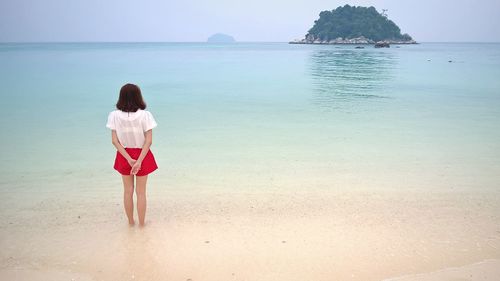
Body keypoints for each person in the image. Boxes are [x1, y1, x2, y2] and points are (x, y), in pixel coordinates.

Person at [106, 83, 158, 227]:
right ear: (138, 97)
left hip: (124, 155)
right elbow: (149, 141)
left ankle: (130, 222)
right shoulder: (145, 115)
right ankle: (142, 224)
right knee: (141, 192)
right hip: (142, 154)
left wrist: (129, 159)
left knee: (127, 191)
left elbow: (114, 141)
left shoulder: (114, 115)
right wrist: (139, 161)